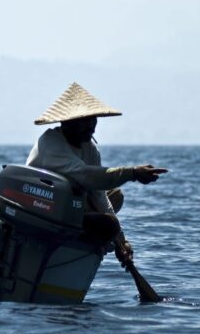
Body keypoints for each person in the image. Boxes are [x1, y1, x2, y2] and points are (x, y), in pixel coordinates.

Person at [26, 82, 167, 264]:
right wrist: (132, 173)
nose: (90, 126)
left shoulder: (89, 148)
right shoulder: (51, 143)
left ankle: (98, 238)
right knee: (109, 225)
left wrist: (121, 241)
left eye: (92, 119)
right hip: (44, 210)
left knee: (115, 196)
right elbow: (87, 176)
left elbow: (99, 195)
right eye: (83, 121)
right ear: (66, 123)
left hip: (71, 207)